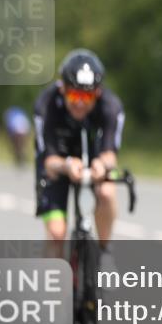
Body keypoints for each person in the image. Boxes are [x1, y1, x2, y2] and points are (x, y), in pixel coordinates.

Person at [34, 49, 125, 261]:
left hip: (94, 157)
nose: (81, 103)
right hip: (57, 160)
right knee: (57, 234)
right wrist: (66, 165)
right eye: (75, 94)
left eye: (88, 96)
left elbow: (111, 154)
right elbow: (48, 161)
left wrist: (102, 165)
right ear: (63, 89)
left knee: (107, 192)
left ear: (98, 93)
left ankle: (104, 251)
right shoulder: (45, 105)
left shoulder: (111, 107)